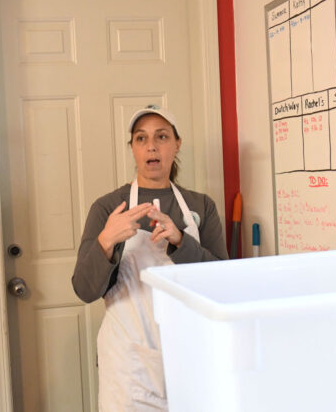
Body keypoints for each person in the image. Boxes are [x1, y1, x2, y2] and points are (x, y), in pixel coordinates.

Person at [72, 105, 228, 411]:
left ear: (177, 143)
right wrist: (107, 240)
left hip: (194, 356)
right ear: (132, 148)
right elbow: (84, 289)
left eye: (161, 136)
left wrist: (181, 241)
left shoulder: (201, 206)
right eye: (141, 138)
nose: (151, 146)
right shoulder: (108, 208)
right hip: (127, 364)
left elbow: (223, 284)